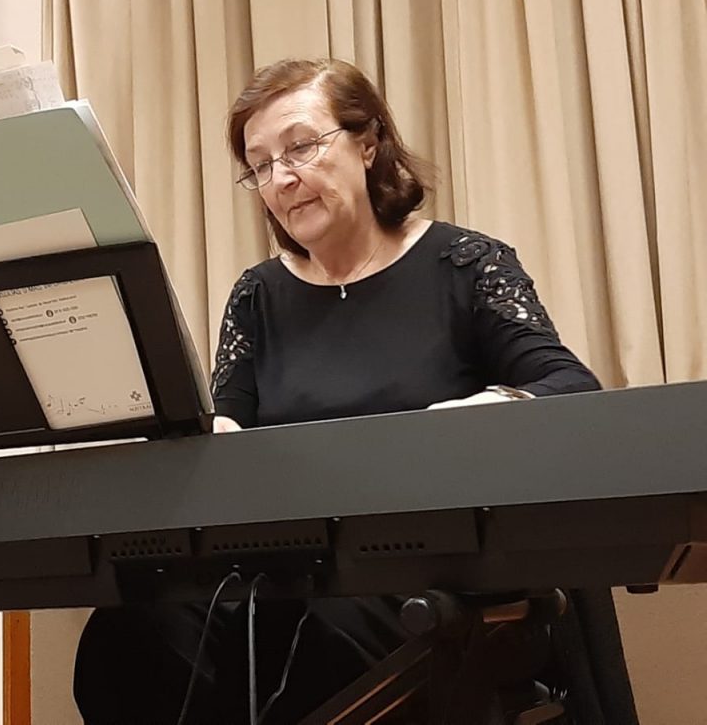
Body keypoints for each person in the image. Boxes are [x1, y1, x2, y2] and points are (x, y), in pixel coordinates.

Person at [74, 58, 638, 725]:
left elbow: (570, 387)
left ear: (368, 143)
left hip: (430, 567)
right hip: (289, 568)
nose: (282, 178)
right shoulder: (257, 296)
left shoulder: (465, 264)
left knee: (328, 639)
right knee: (129, 637)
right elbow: (231, 428)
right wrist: (208, 439)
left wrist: (487, 409)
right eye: (260, 165)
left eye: (301, 147)